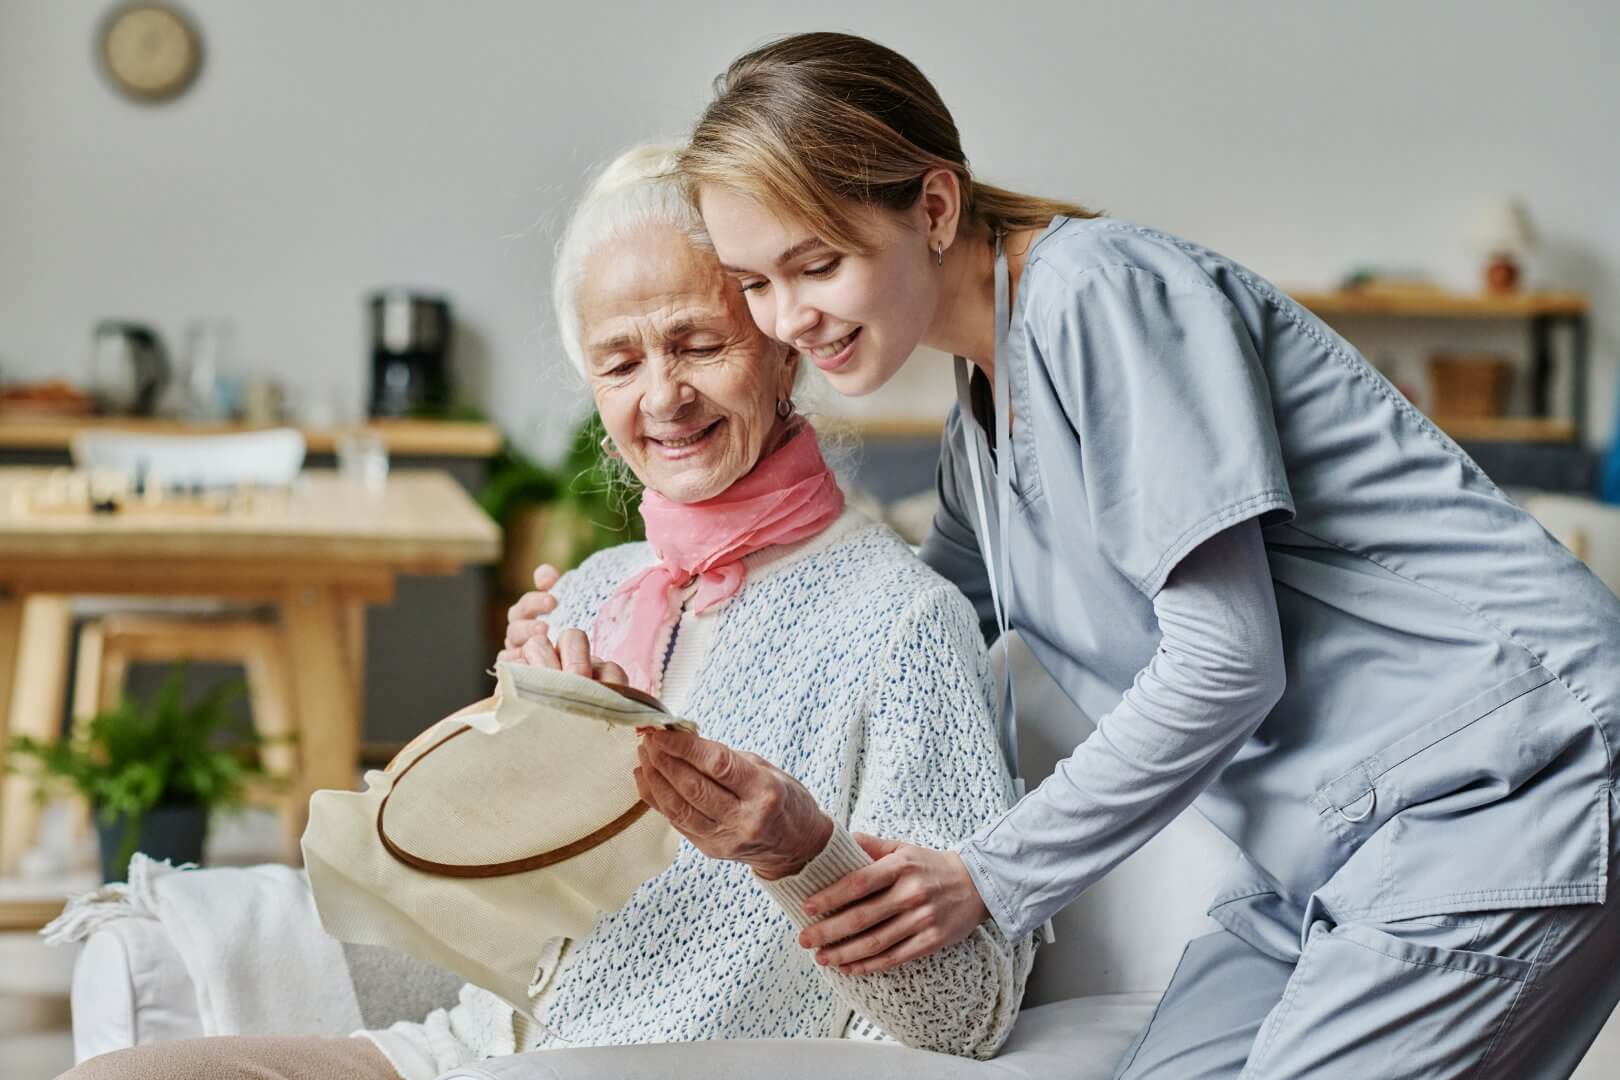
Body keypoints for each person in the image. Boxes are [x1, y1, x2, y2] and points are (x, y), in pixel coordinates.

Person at [515, 32, 1620, 1077]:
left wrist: (990, 877)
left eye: (815, 264)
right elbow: (868, 617)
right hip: (1324, 855)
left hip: (1505, 780)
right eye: (755, 285)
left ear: (934, 205)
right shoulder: (978, 435)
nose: (788, 318)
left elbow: (1229, 659)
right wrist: (630, 668)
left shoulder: (1103, 291)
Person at [64, 143, 1034, 1080]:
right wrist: (514, 740)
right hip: (460, 1053)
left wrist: (801, 850)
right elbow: (476, 917)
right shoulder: (596, 588)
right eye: (620, 363)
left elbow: (969, 1013)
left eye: (699, 343)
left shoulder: (903, 624)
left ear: (784, 352)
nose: (664, 395)